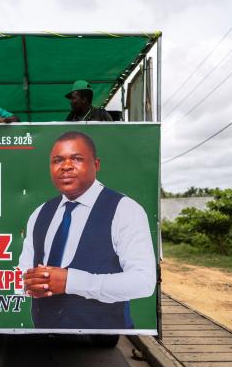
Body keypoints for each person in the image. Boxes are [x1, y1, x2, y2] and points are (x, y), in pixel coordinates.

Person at [18, 131, 155, 330]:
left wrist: (71, 281)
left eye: (77, 158)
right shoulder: (40, 213)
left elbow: (144, 282)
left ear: (96, 165)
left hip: (102, 341)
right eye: (57, 160)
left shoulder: (124, 209)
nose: (66, 166)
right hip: (44, 335)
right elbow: (24, 271)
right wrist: (27, 283)